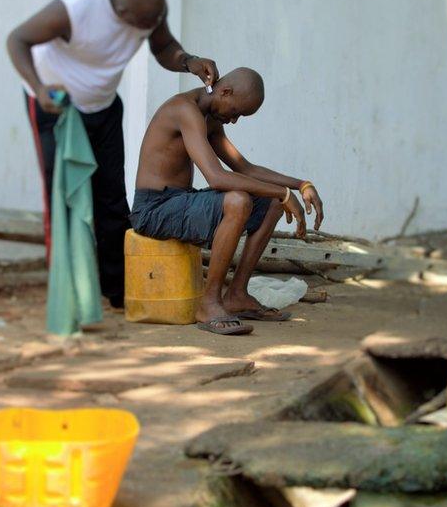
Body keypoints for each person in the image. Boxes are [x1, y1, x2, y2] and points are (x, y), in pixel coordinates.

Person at [6, 0, 219, 308]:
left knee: (112, 198)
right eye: (144, 23)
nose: (150, 27)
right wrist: (39, 88)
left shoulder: (150, 12)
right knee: (63, 198)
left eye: (154, 20)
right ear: (121, 12)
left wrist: (188, 61)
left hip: (103, 107)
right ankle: (69, 297)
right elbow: (17, 39)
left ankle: (119, 289)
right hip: (55, 108)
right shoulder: (77, 6)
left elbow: (163, 46)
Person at [130, 68, 325, 335]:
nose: (233, 120)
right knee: (237, 201)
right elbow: (216, 178)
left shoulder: (209, 117)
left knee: (271, 203)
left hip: (181, 200)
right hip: (153, 209)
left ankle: (237, 295)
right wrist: (283, 193)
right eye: (235, 112)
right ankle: (209, 303)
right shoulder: (184, 109)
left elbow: (245, 168)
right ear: (225, 91)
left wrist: (300, 185)